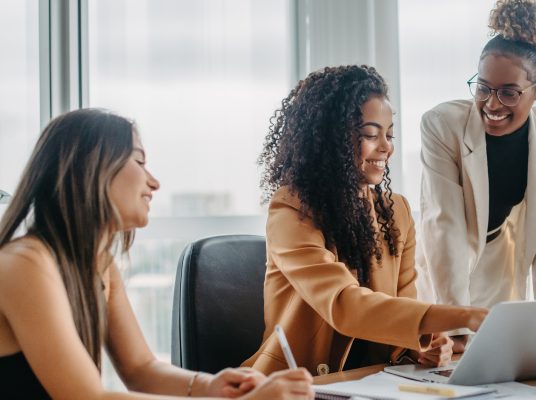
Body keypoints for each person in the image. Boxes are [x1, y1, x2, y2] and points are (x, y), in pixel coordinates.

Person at [0, 109, 314, 399]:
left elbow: (140, 368)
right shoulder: (26, 264)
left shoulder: (101, 265)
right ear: (92, 167)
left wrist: (210, 385)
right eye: (139, 162)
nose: (154, 182)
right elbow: (87, 398)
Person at [243, 65, 488, 376]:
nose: (386, 146)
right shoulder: (291, 211)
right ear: (332, 140)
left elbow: (400, 313)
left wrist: (423, 345)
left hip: (372, 384)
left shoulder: (396, 213)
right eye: (371, 135)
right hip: (297, 386)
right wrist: (463, 316)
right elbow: (345, 305)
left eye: (389, 134)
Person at [417, 0, 536, 351]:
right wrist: (454, 325)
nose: (492, 104)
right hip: (446, 271)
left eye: (509, 93)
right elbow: (445, 226)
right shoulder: (441, 125)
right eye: (483, 87)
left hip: (501, 265)